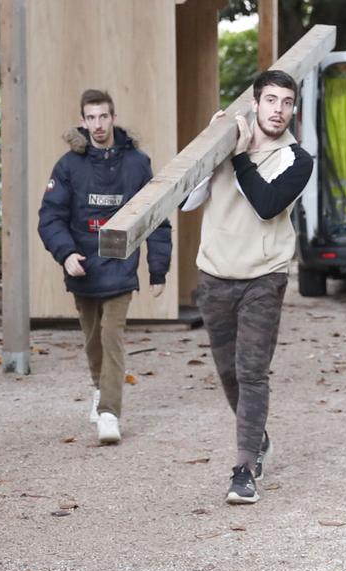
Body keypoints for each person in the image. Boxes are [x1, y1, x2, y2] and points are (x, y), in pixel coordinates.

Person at [181, 69, 314, 505]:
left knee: (252, 371)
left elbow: (266, 204)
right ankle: (258, 435)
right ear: (255, 103)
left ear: (293, 109)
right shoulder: (227, 141)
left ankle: (244, 469)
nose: (278, 110)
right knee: (228, 374)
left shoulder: (298, 159)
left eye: (286, 102)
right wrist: (212, 145)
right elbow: (187, 199)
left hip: (264, 276)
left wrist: (239, 156)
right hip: (216, 275)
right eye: (271, 100)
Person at [38, 89, 170, 447]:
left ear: (113, 118)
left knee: (112, 335)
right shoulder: (68, 167)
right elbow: (50, 217)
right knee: (93, 339)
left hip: (120, 265)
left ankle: (110, 412)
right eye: (90, 118)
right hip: (82, 266)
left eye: (103, 117)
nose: (97, 125)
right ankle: (100, 389)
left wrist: (158, 269)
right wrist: (66, 255)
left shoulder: (137, 164)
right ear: (83, 121)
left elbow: (155, 216)